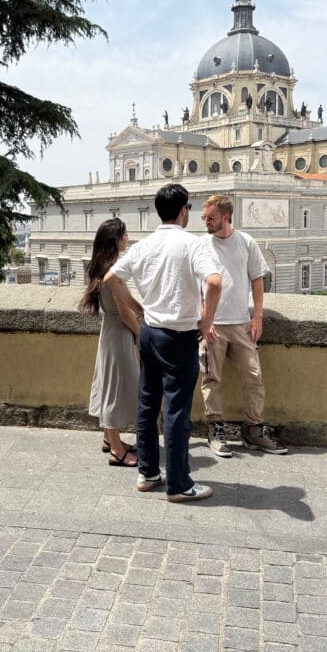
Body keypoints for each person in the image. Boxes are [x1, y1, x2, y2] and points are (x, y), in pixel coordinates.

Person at [105, 184, 221, 503]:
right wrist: (207, 321)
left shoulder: (145, 245)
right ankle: (179, 484)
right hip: (178, 336)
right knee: (176, 411)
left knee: (147, 404)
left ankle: (148, 473)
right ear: (183, 211)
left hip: (149, 332)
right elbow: (213, 282)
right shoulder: (191, 243)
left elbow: (111, 279)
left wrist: (137, 306)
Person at [199, 195, 287, 457]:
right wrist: (205, 320)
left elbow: (257, 279)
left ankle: (254, 430)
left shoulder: (245, 242)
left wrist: (257, 315)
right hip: (212, 325)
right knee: (210, 378)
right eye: (204, 217)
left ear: (226, 217)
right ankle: (215, 430)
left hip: (240, 323)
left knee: (254, 376)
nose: (206, 222)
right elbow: (195, 286)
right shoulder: (201, 244)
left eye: (210, 217)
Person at [79, 219, 143, 467]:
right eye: (125, 234)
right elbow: (125, 311)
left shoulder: (101, 266)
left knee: (107, 383)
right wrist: (139, 333)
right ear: (117, 240)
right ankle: (117, 449)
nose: (128, 237)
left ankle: (109, 439)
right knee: (116, 388)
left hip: (110, 332)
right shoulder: (115, 268)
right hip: (119, 332)